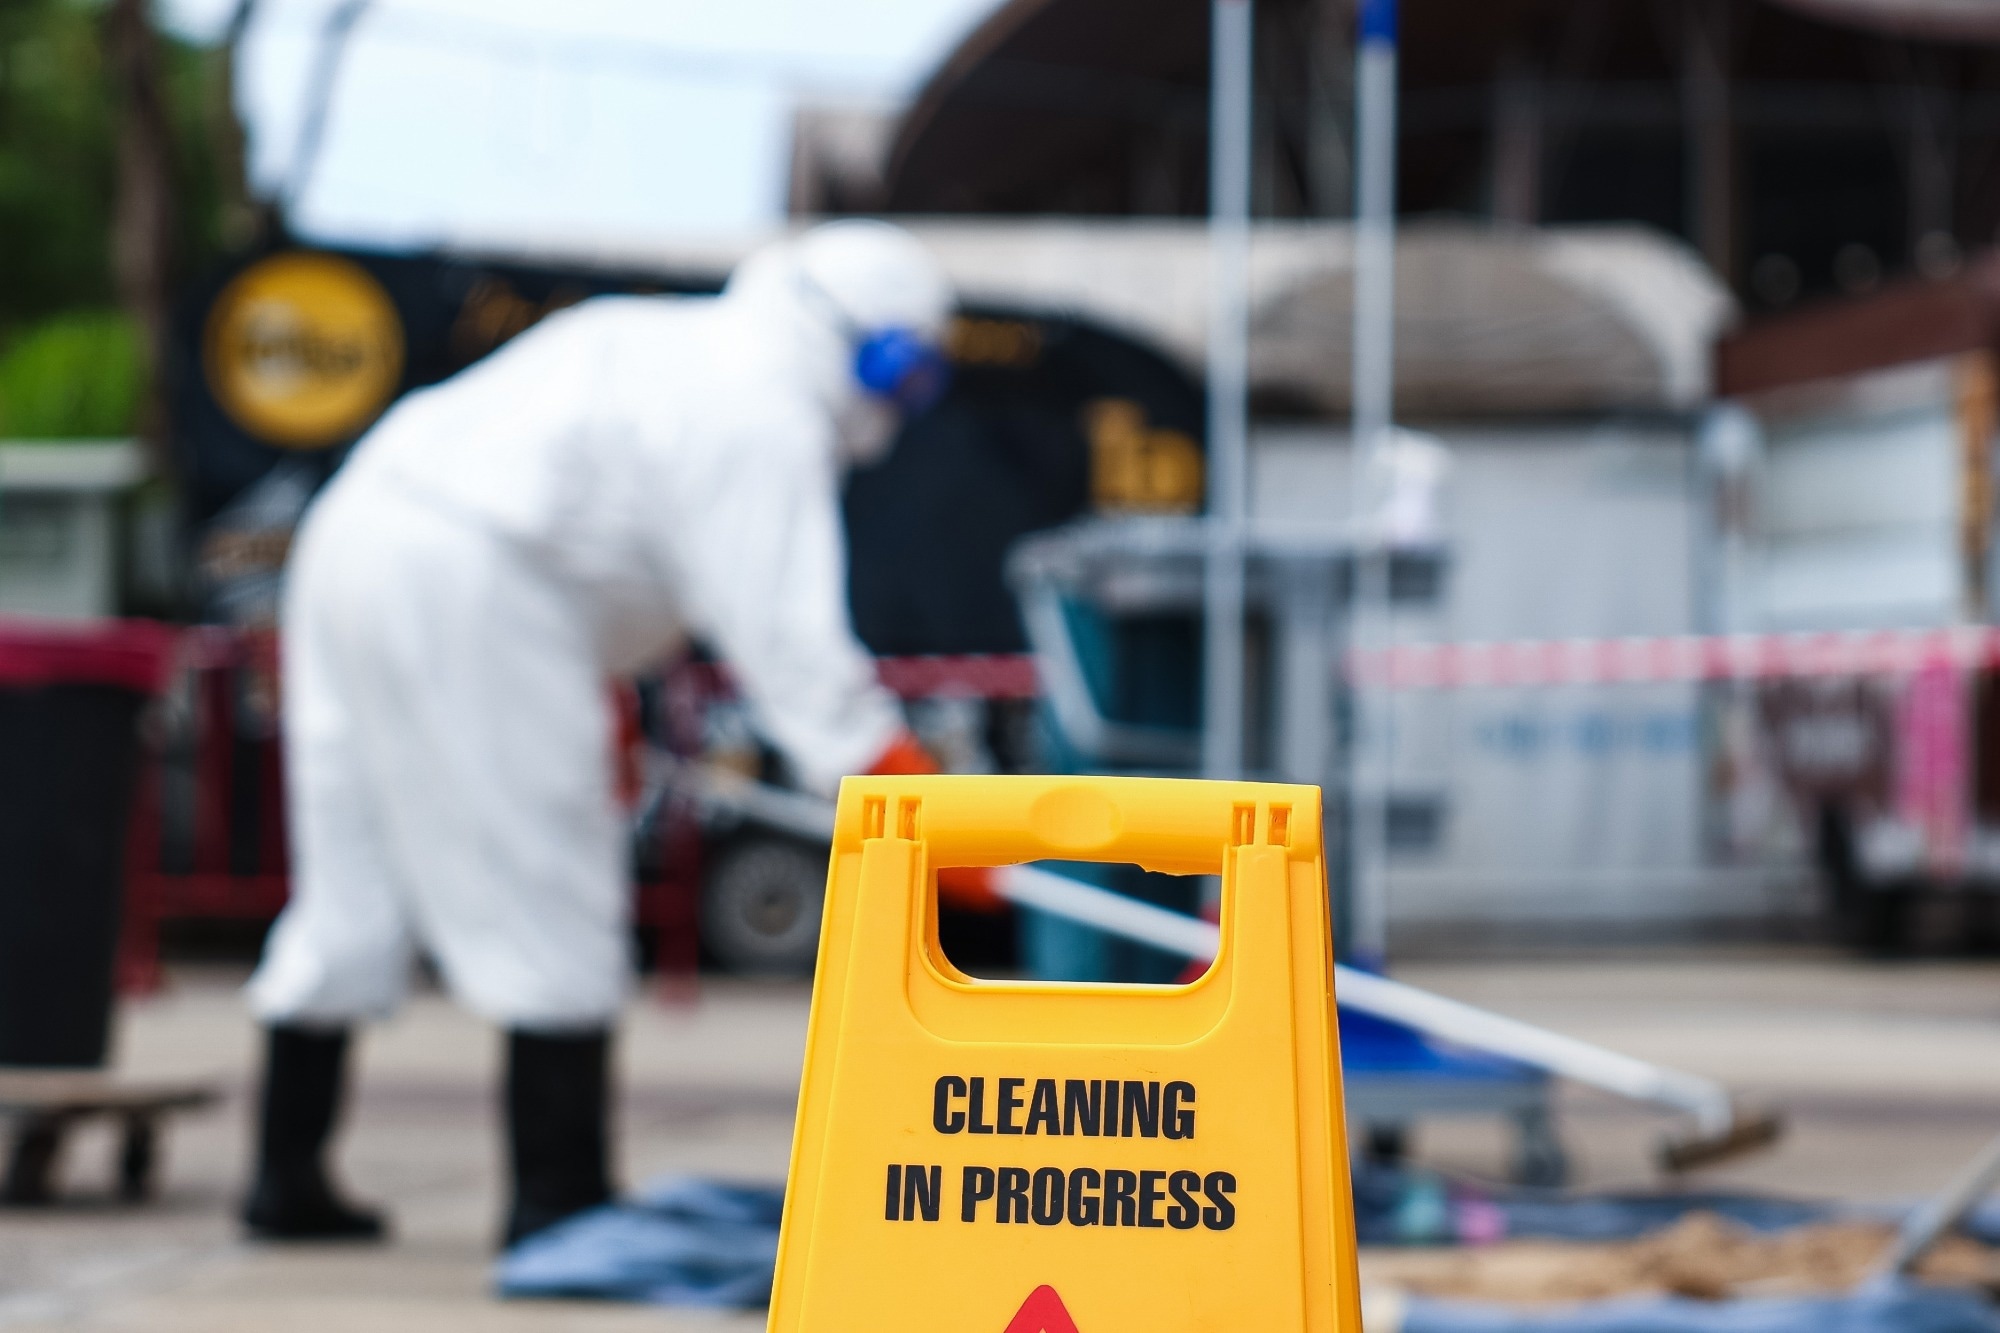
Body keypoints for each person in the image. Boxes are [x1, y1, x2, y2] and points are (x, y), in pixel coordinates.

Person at [240, 221, 957, 1245]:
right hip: (479, 581)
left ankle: (283, 1176)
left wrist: (600, 691)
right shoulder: (762, 408)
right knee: (552, 880)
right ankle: (558, 1201)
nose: (900, 407)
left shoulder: (662, 340)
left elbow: (598, 536)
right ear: (868, 350)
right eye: (906, 376)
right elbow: (797, 657)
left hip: (358, 529)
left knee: (352, 877)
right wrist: (922, 811)